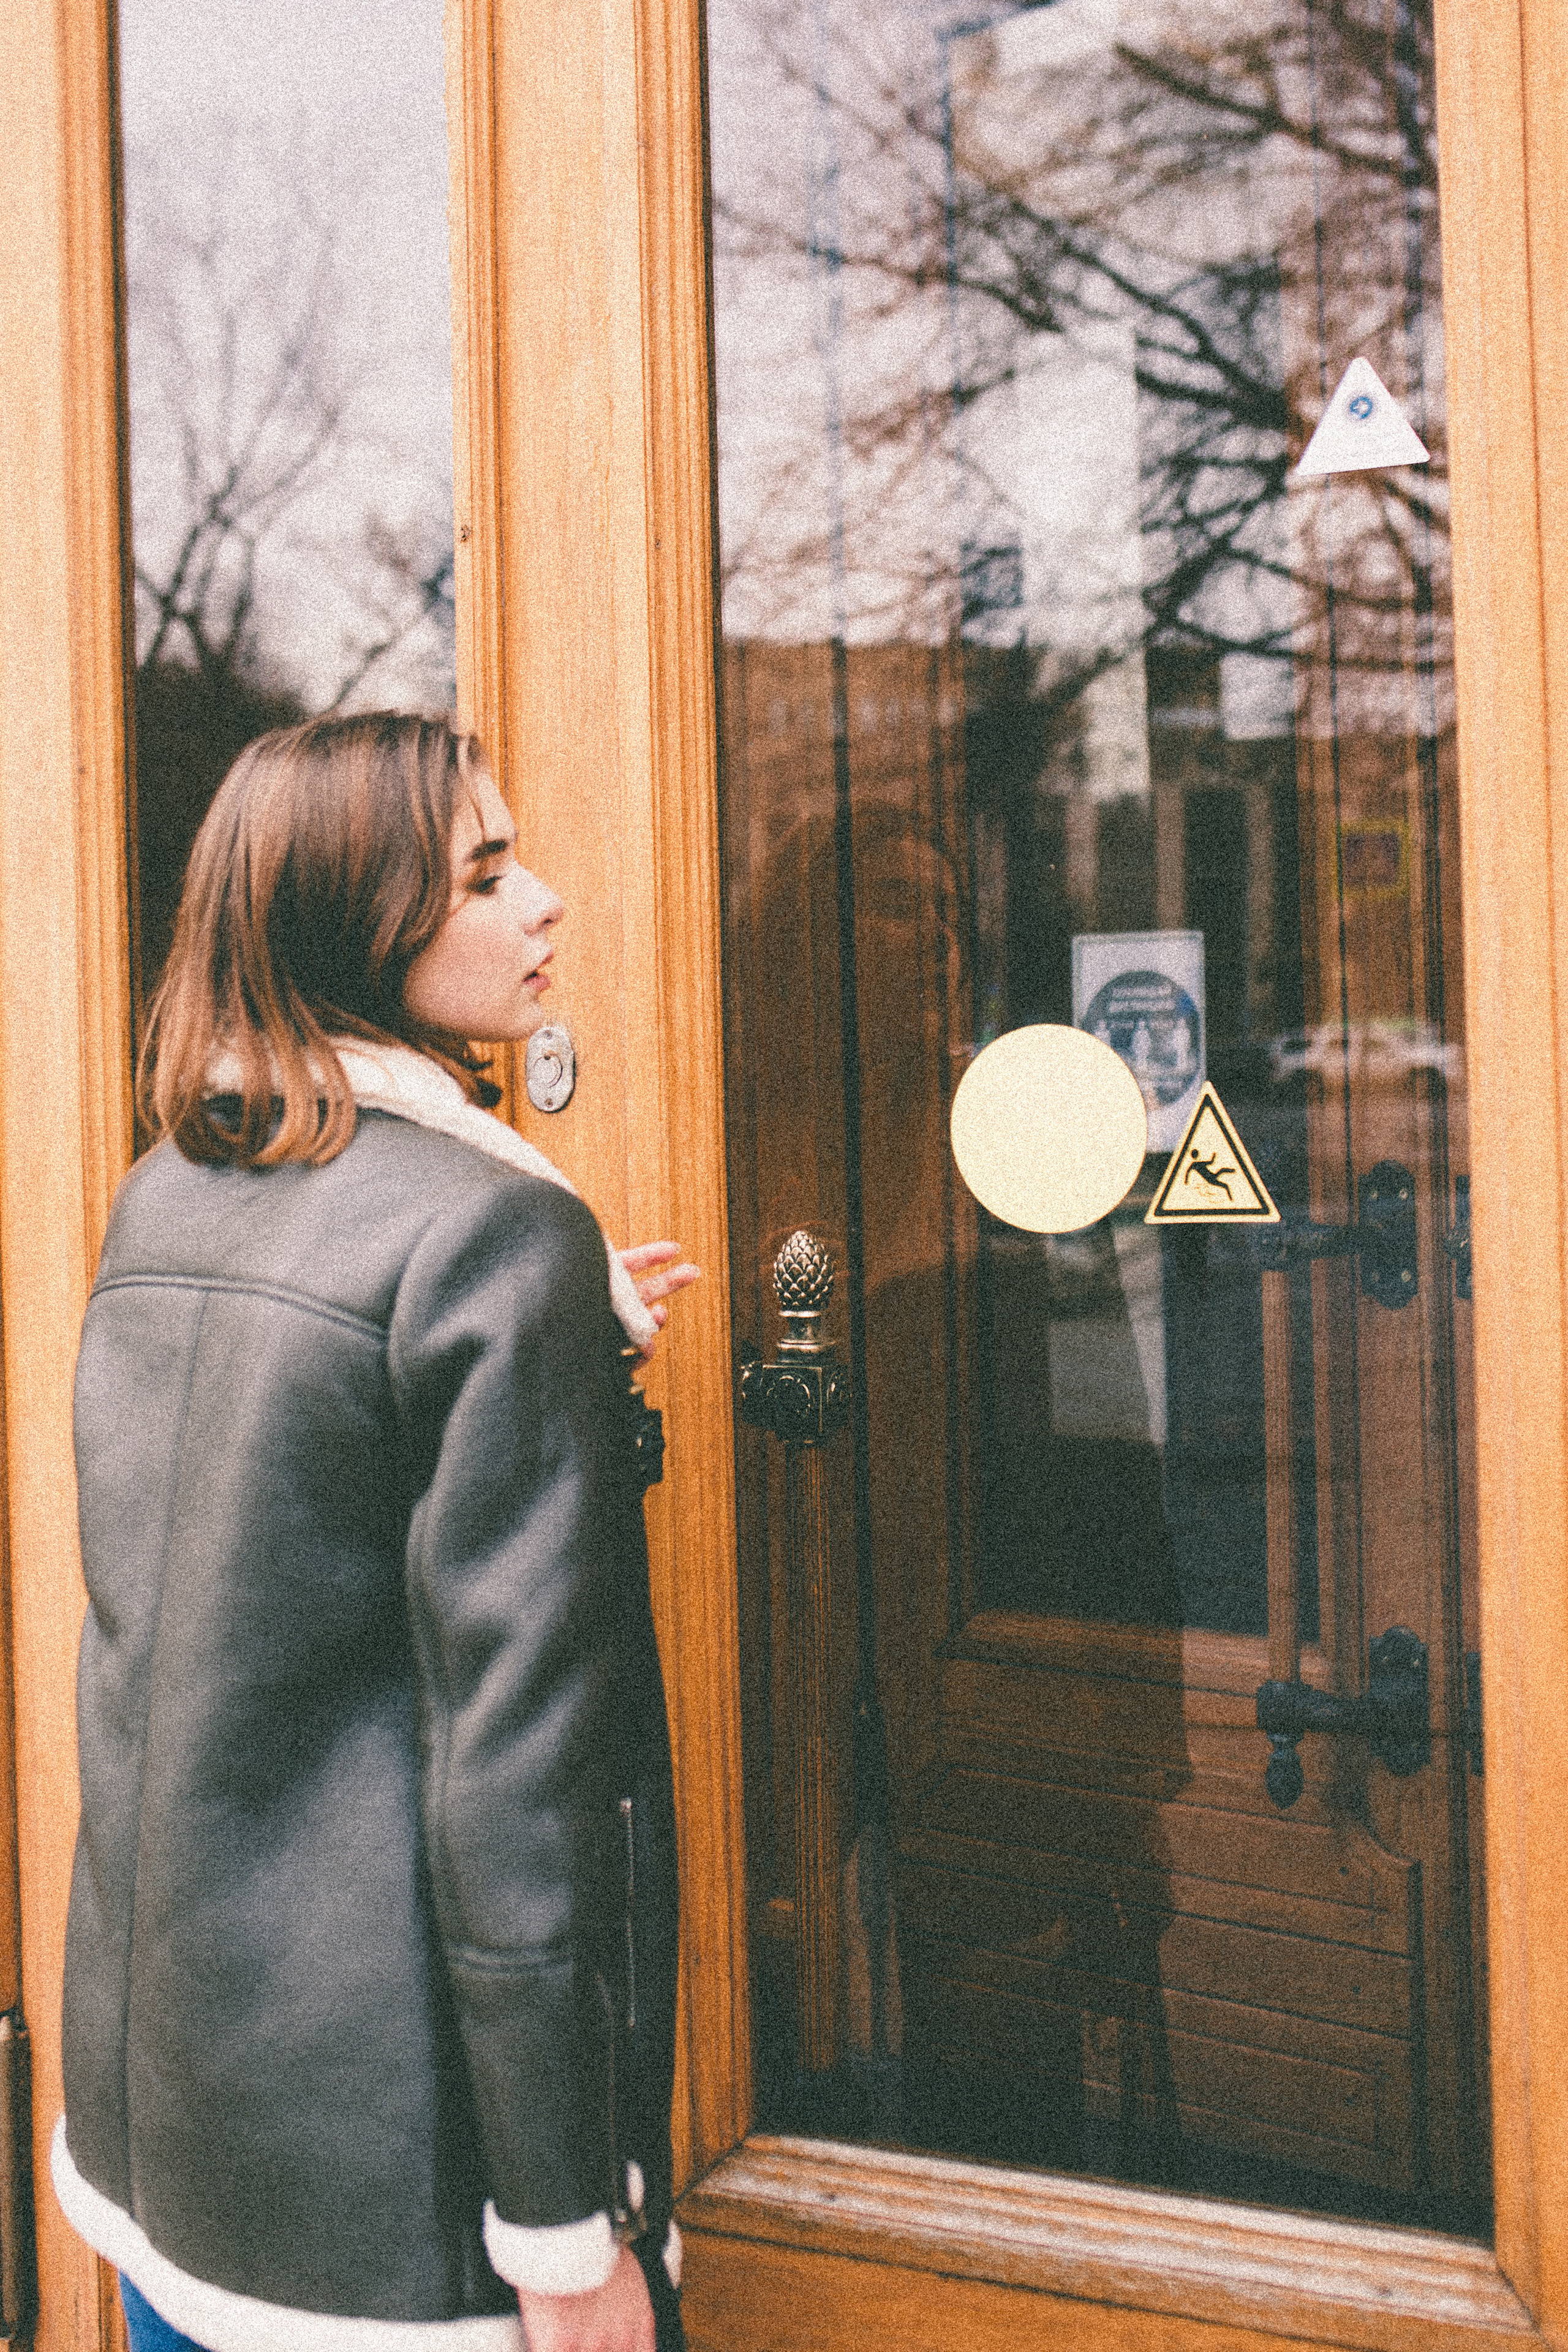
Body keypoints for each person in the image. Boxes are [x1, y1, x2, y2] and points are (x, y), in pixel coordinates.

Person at [53, 712, 697, 2352]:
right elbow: (522, 1780)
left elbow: (239, 1606)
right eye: (484, 876)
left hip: (179, 2151)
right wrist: (569, 2237)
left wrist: (570, 1344)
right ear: (360, 927)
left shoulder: (170, 1188)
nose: (543, 901)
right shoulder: (495, 1236)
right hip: (403, 2217)